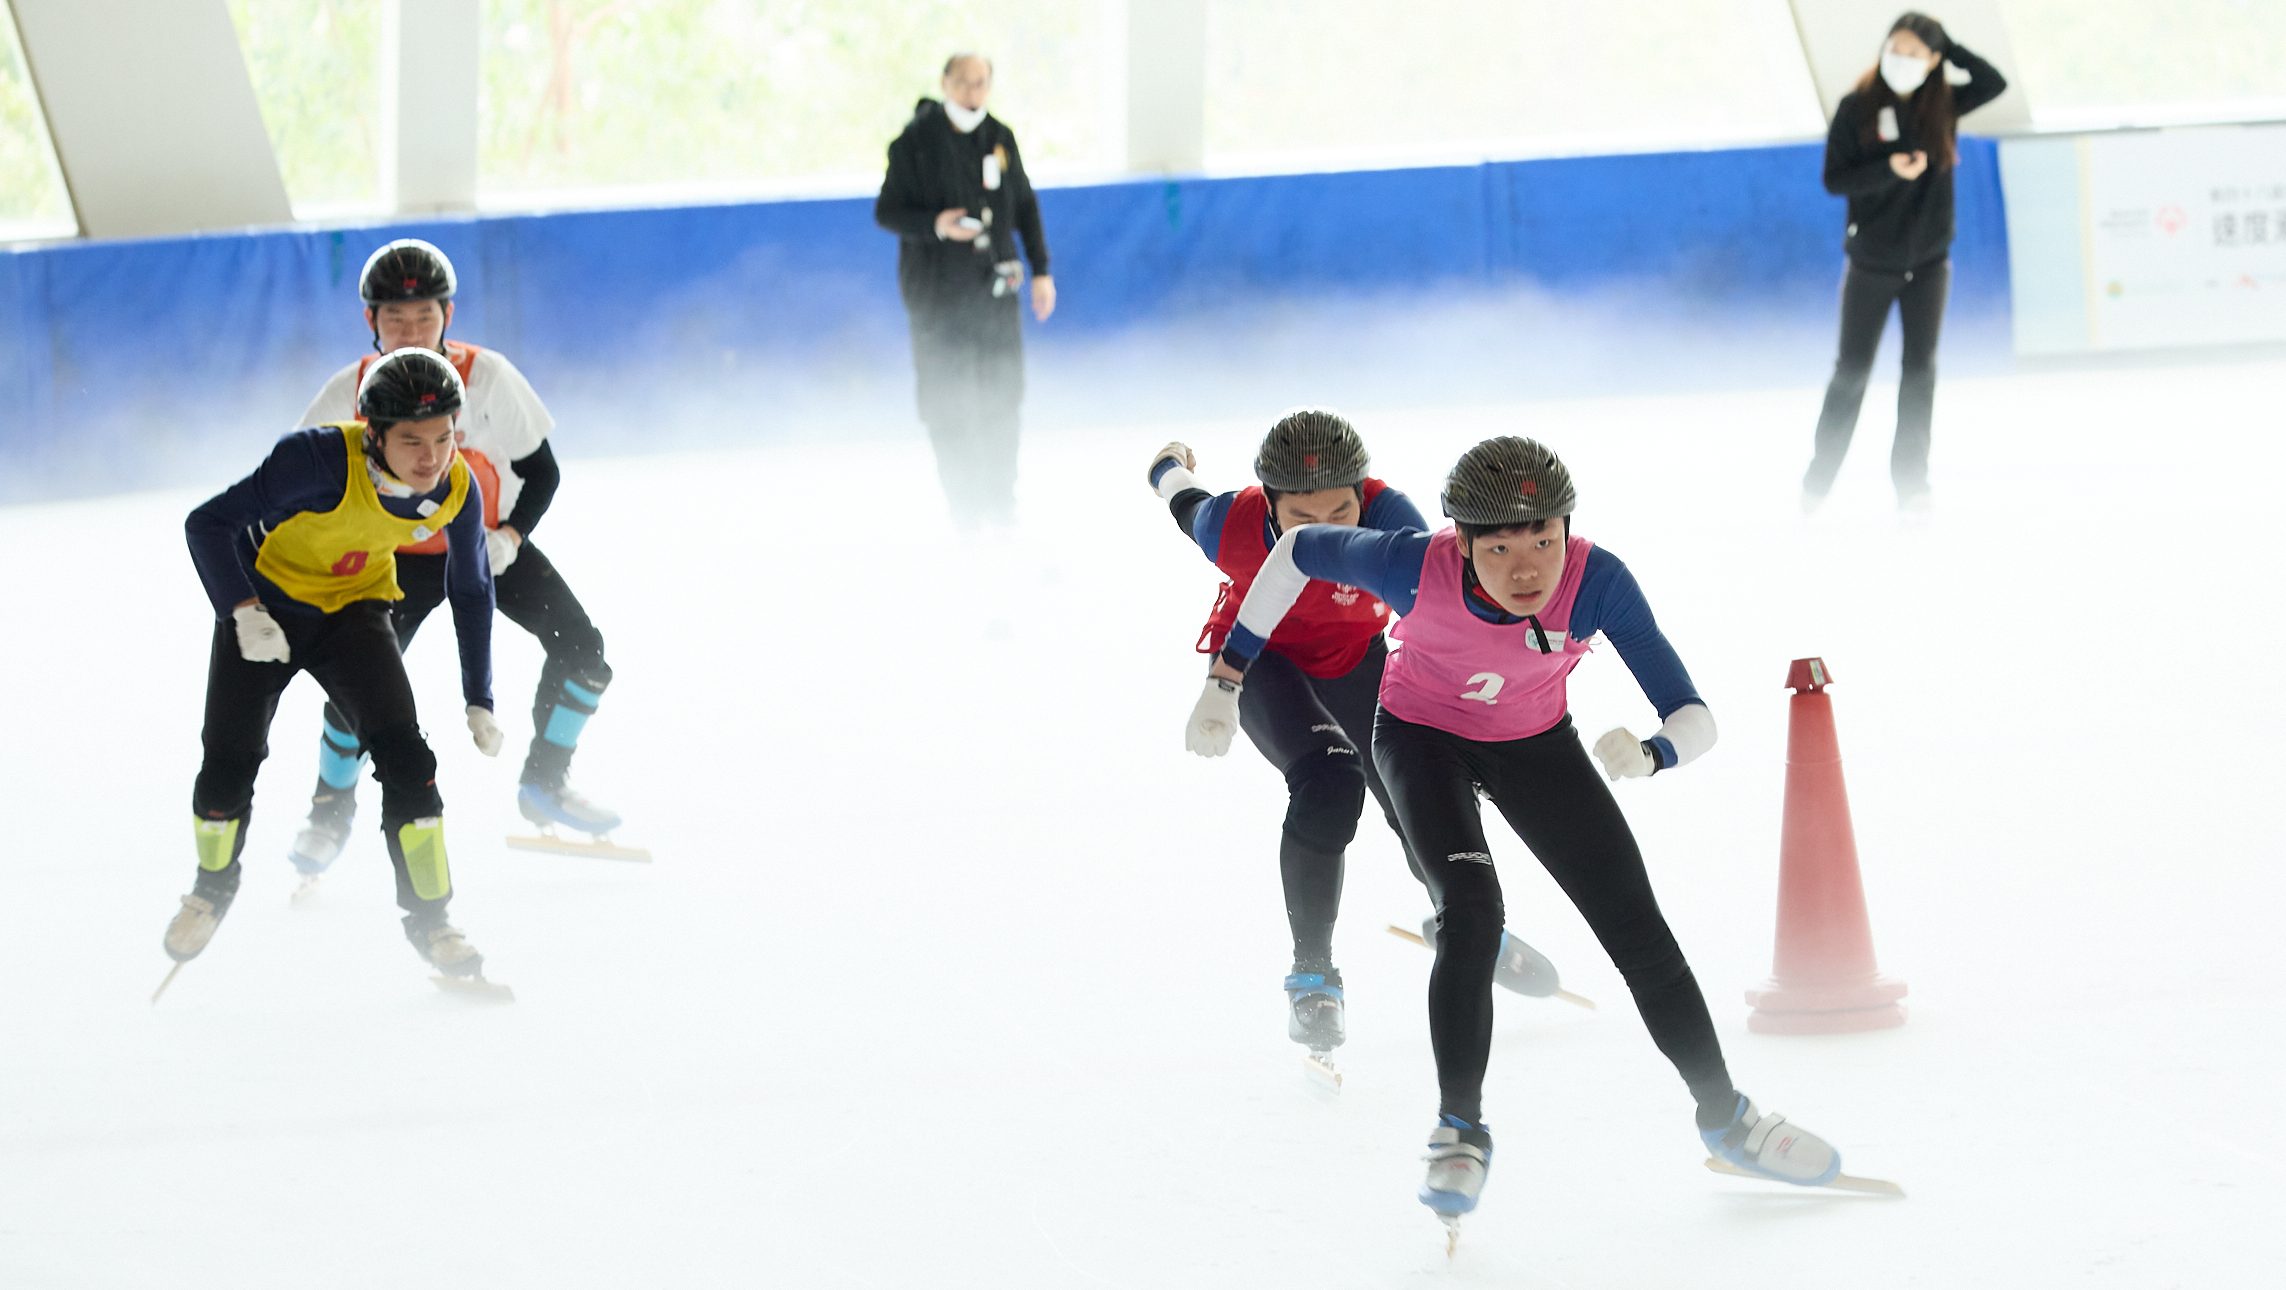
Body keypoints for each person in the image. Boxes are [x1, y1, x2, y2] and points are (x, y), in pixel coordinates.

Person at [1192, 436, 1848, 1219]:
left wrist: (1654, 752)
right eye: (1499, 547)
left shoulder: (1597, 580)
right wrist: (1226, 677)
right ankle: (1459, 1132)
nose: (1528, 567)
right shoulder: (1410, 562)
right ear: (1462, 544)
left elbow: (1694, 712)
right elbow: (1297, 547)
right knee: (1471, 914)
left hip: (1536, 744)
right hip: (1420, 739)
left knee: (1638, 931)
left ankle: (1728, 1119)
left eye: (1544, 538)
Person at [1151, 413, 1564, 1066]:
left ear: (1364, 493)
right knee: (1330, 782)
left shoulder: (1393, 519)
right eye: (1301, 516)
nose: (1324, 530)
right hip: (1263, 664)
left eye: (1341, 510)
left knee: (1422, 785)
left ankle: (1463, 915)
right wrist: (1168, 460)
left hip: (1355, 659)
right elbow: (1182, 497)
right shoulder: (1231, 525)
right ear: (1268, 504)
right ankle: (1311, 976)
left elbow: (1455, 597)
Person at [284, 238, 622, 884]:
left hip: (484, 545)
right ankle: (329, 811)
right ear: (370, 322)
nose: (411, 332)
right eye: (394, 319)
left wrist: (513, 537)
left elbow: (541, 471)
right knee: (356, 688)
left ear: (449, 315)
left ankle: (545, 784)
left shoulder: (487, 376)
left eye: (425, 318)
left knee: (584, 653)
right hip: (391, 561)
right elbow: (297, 482)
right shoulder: (347, 391)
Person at [168, 348, 499, 978]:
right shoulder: (316, 460)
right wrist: (240, 609)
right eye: (411, 441)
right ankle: (211, 888)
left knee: (411, 765)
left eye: (445, 437)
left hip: (354, 614)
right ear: (373, 435)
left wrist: (479, 695)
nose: (431, 458)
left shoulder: (457, 485)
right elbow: (207, 523)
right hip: (266, 608)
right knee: (228, 766)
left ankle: (433, 923)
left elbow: (473, 586)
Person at [1804, 10, 2007, 514]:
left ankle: (1912, 486)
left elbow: (1993, 81)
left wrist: (1947, 49)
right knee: (1851, 373)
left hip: (1931, 264)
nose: (1902, 61)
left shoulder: (1944, 105)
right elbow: (1835, 180)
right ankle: (1817, 484)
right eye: (1896, 49)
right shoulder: (1857, 108)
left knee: (1920, 373)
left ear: (1933, 61)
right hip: (1872, 264)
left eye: (1916, 54)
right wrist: (1888, 168)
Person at [874, 52, 1054, 529]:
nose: (972, 93)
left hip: (993, 294)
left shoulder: (999, 137)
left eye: (981, 83)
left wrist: (1041, 270)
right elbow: (887, 212)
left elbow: (1024, 205)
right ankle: (965, 507)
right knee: (948, 402)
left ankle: (1002, 501)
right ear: (945, 83)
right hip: (937, 300)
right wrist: (936, 224)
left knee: (1002, 393)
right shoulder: (913, 144)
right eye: (963, 83)